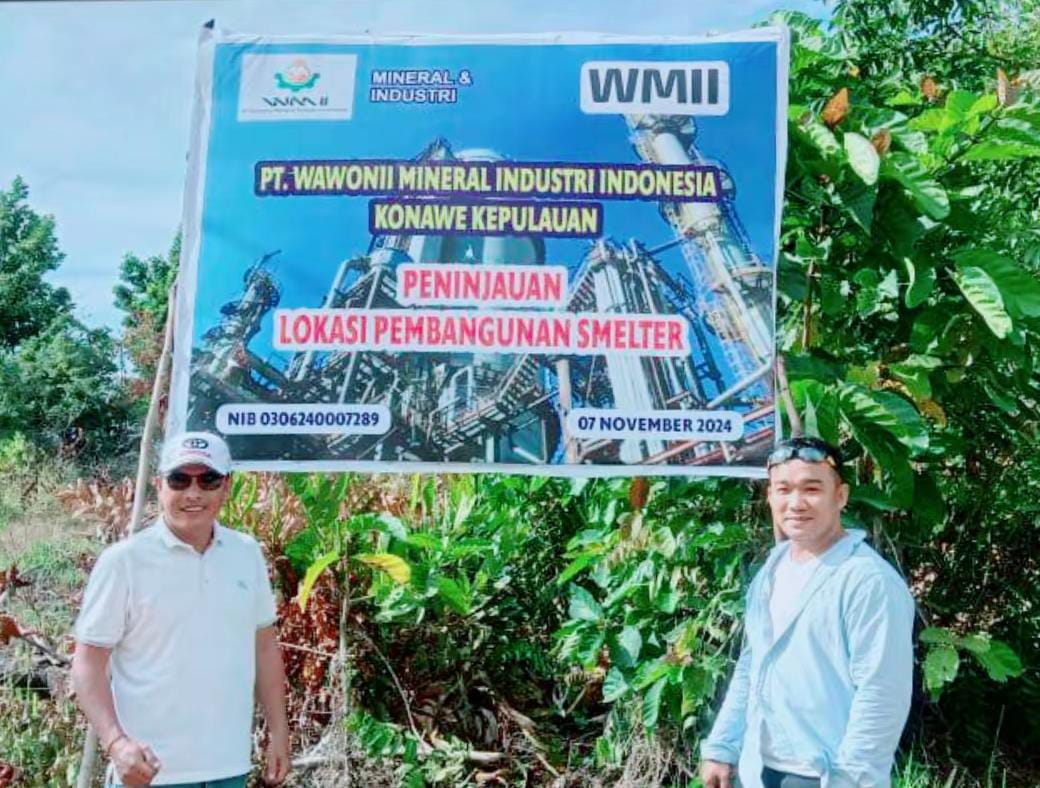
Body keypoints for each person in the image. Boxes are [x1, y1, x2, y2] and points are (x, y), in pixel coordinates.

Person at [71, 431, 290, 787]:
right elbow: (87, 665)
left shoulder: (246, 553)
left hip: (228, 769)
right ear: (159, 485)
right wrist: (116, 743)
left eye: (208, 480)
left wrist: (279, 732)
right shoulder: (123, 562)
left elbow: (264, 648)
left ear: (226, 486)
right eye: (179, 480)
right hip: (148, 773)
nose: (193, 493)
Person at [700, 436, 915, 788]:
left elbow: (881, 693)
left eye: (812, 489)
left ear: (840, 496)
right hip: (759, 769)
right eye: (783, 490)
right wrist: (723, 745)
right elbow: (753, 664)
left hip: (827, 775)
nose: (796, 503)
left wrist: (849, 781)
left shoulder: (867, 581)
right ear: (770, 497)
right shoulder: (773, 569)